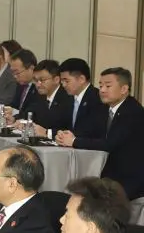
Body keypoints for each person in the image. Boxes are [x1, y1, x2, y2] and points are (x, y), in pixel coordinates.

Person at [58, 67, 144, 199]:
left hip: (130, 178)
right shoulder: (104, 109)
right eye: (100, 85)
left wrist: (74, 141)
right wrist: (64, 136)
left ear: (124, 89)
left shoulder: (133, 111)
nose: (102, 90)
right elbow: (86, 131)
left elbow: (110, 143)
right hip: (108, 173)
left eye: (108, 86)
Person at [56, 57, 108, 140]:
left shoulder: (97, 98)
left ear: (81, 79)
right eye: (62, 81)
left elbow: (93, 131)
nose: (63, 85)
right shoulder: (67, 98)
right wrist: (60, 134)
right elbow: (62, 125)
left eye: (66, 81)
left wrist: (72, 139)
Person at [27, 59, 73, 137]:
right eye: (35, 80)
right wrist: (19, 120)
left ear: (56, 80)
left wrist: (47, 132)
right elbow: (29, 112)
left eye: (42, 80)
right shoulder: (40, 95)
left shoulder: (68, 97)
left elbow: (68, 129)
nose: (38, 85)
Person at [4, 49, 39, 118]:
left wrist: (15, 112)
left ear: (31, 68)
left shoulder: (40, 87)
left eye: (17, 72)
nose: (14, 76)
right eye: (13, 72)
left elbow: (34, 114)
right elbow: (14, 105)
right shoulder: (21, 85)